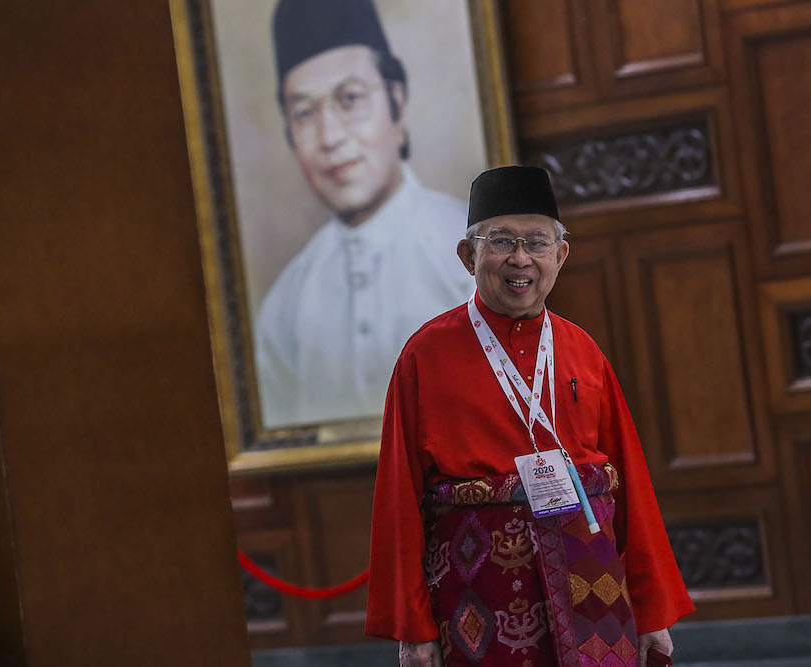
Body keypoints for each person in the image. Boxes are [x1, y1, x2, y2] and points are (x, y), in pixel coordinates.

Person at [365, 166, 694, 666]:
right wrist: (413, 630)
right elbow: (398, 496)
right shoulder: (424, 356)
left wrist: (652, 612)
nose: (520, 259)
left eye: (537, 243)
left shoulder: (583, 350)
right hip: (479, 595)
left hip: (593, 589)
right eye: (501, 241)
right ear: (468, 256)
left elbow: (632, 488)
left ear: (560, 256)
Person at [256, 0, 474, 427]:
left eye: (350, 98)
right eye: (305, 113)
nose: (330, 137)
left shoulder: (472, 256)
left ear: (396, 101)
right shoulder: (283, 312)